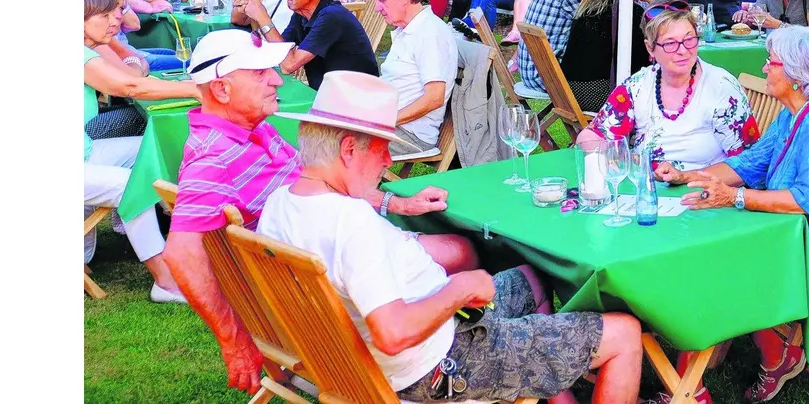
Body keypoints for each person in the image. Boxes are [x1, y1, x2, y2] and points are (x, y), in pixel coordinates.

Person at [255, 70, 642, 402]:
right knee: (624, 332)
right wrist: (459, 290)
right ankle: (536, 367)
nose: (389, 161)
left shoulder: (280, 204)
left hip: (378, 354)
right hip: (437, 365)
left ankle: (548, 384)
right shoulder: (351, 222)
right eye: (382, 149)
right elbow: (393, 334)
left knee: (533, 276)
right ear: (348, 150)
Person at [652, 27, 809, 404]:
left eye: (773, 62)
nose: (765, 67)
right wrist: (687, 175)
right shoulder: (793, 115)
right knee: (713, 260)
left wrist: (734, 198)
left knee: (720, 268)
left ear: (798, 76)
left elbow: (805, 202)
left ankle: (689, 388)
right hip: (785, 238)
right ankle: (758, 360)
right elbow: (749, 163)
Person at [83, 0, 195, 303]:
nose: (113, 21)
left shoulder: (88, 52)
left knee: (151, 147)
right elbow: (130, 85)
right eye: (103, 15)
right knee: (130, 184)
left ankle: (183, 236)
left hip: (85, 151)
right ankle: (165, 281)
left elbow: (132, 77)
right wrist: (195, 89)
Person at [584, 7, 756, 171]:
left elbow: (749, 163)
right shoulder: (638, 86)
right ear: (650, 48)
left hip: (705, 191)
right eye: (670, 43)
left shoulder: (721, 87)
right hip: (647, 189)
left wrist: (685, 178)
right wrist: (618, 160)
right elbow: (590, 137)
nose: (683, 50)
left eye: (689, 40)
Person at [363, 0, 461, 154]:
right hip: (388, 122)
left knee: (333, 146)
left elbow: (434, 98)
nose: (377, 8)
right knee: (320, 127)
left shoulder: (429, 33)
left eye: (382, 1)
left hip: (408, 133)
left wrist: (385, 120)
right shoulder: (408, 29)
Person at [241, 0, 378, 89]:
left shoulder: (332, 16)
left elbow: (288, 65)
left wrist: (264, 18)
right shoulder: (302, 14)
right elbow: (278, 52)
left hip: (355, 101)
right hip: (327, 95)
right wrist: (252, 14)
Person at [557, 0, 653, 113]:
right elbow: (641, 62)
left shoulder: (588, 5)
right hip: (601, 94)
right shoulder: (625, 12)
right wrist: (652, 0)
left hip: (570, 92)